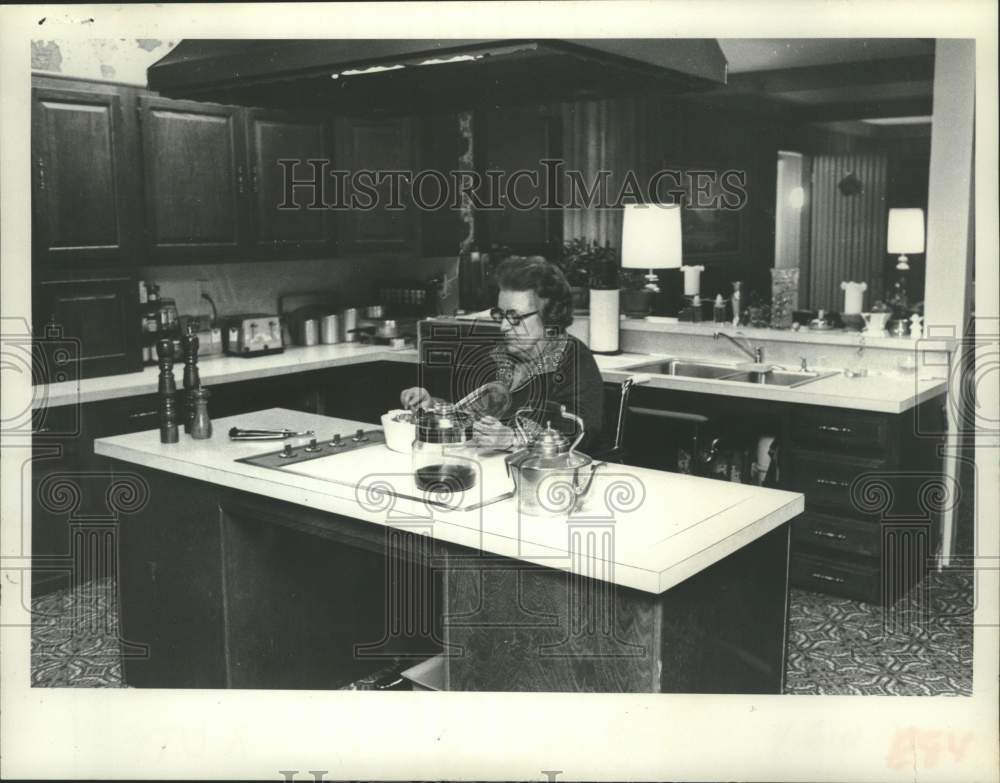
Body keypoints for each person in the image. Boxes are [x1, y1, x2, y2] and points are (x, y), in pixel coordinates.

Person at [401, 256, 605, 452]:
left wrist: (513, 439)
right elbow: (469, 415)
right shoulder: (502, 356)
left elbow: (581, 433)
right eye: (501, 315)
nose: (504, 327)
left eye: (515, 317)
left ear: (550, 314)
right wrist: (433, 407)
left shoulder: (574, 359)